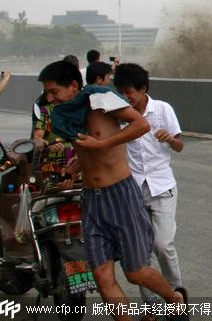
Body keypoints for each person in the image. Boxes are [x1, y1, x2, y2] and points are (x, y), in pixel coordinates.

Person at [39, 61, 188, 321]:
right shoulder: (70, 114)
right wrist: (72, 170)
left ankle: (174, 298)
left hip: (121, 195)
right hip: (92, 201)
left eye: (53, 92)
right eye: (47, 93)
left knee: (136, 272)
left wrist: (103, 143)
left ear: (74, 86)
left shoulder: (102, 97)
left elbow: (141, 125)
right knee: (102, 277)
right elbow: (87, 149)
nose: (49, 98)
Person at [113, 63, 185, 321]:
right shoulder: (119, 115)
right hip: (132, 190)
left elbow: (179, 146)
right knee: (140, 252)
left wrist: (169, 139)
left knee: (163, 245)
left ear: (143, 89)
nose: (126, 97)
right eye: (121, 92)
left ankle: (177, 295)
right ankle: (152, 305)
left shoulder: (163, 109)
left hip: (162, 185)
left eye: (129, 92)